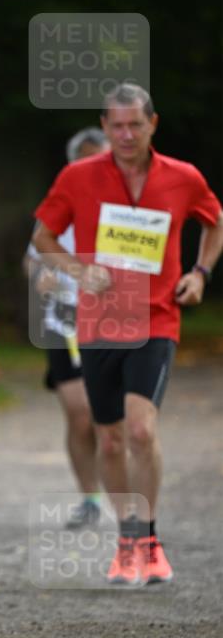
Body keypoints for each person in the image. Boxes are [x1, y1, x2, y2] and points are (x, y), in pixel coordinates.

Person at [33, 84, 223, 586]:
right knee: (111, 439)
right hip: (98, 323)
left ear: (152, 124)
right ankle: (126, 540)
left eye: (135, 125)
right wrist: (78, 270)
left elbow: (215, 220)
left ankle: (150, 537)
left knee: (141, 429)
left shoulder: (183, 178)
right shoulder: (78, 177)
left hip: (157, 318)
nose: (125, 134)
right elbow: (42, 236)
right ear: (105, 124)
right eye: (116, 125)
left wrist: (200, 273)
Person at [24, 128, 110, 528]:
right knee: (81, 414)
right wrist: (41, 274)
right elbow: (33, 258)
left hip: (113, 322)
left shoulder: (123, 210)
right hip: (66, 323)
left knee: (112, 418)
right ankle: (91, 497)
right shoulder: (59, 206)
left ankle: (126, 496)